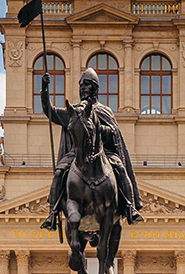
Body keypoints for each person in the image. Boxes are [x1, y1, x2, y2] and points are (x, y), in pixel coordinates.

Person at [38, 69, 143, 230]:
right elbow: (50, 112)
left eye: (86, 85)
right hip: (76, 154)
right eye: (81, 85)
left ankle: (130, 206)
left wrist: (98, 129)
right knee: (59, 173)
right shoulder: (75, 112)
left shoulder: (104, 110)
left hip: (103, 154)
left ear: (95, 89)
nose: (82, 88)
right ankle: (52, 213)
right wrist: (45, 90)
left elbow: (114, 133)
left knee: (121, 169)